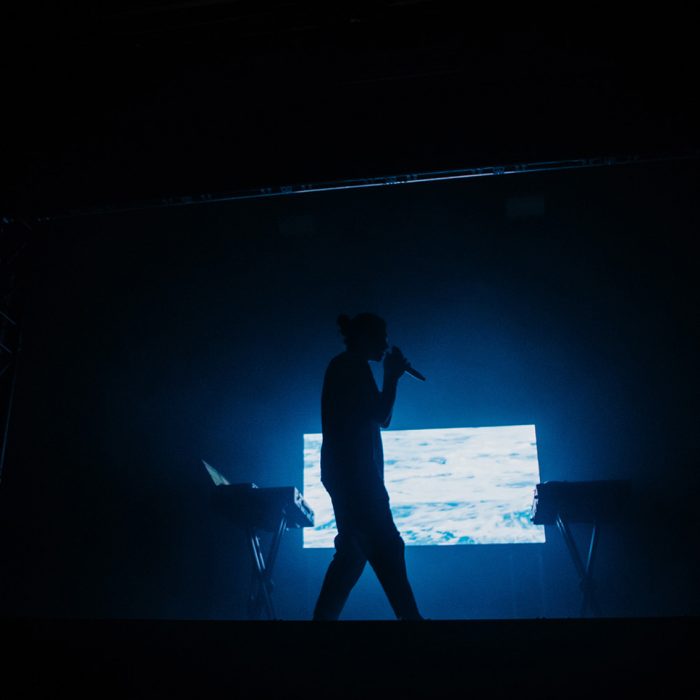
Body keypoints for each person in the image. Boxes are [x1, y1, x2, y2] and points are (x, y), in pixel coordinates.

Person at [312, 312, 423, 620]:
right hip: (356, 477)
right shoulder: (350, 366)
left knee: (353, 553)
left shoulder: (347, 366)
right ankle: (413, 622)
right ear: (365, 337)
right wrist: (391, 377)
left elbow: (377, 416)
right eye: (382, 337)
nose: (386, 344)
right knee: (387, 546)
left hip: (348, 475)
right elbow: (382, 415)